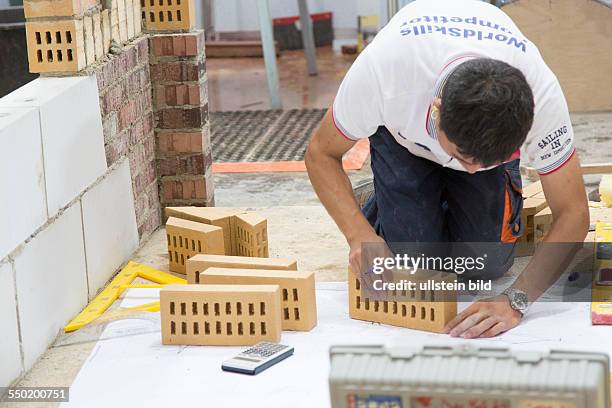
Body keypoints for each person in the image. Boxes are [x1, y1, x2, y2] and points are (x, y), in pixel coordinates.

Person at [305, 0, 588, 339]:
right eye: (462, 157)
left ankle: (427, 194)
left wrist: (516, 300)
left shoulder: (541, 96)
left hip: (467, 130)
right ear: (437, 110)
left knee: (486, 264)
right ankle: (384, 195)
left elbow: (573, 211)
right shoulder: (387, 71)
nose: (470, 171)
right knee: (416, 262)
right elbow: (320, 153)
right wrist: (359, 235)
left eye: (485, 162)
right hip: (403, 138)